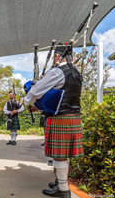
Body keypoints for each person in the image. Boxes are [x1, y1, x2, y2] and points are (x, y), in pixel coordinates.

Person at [23, 43, 84, 198]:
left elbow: (36, 90)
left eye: (54, 58)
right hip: (73, 117)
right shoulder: (76, 72)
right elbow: (60, 95)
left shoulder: (57, 71)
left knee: (59, 155)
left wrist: (27, 101)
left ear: (57, 57)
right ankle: (60, 181)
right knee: (64, 155)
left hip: (60, 119)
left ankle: (63, 189)